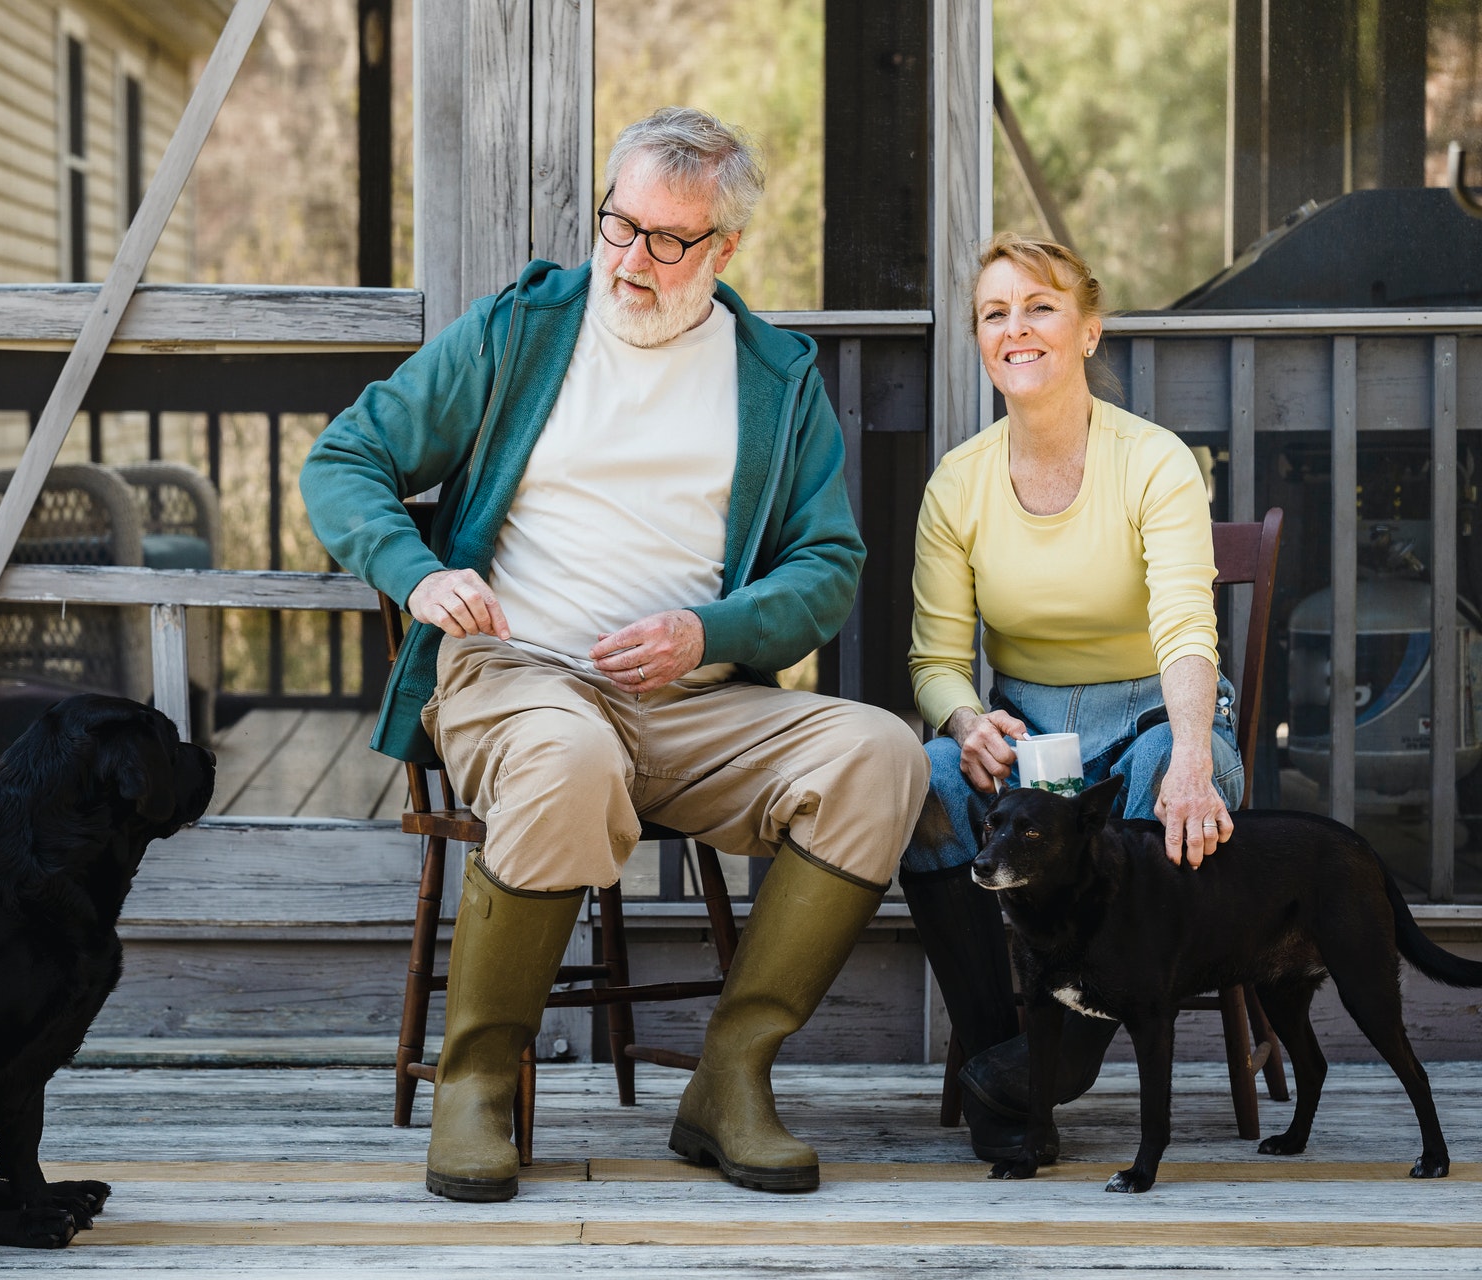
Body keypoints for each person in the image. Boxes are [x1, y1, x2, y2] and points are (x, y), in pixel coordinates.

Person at [300, 107, 929, 1202]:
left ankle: (731, 1076)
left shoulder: (774, 380)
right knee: (569, 757)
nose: (633, 260)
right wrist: (418, 572)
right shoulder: (523, 331)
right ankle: (479, 1079)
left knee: (878, 754)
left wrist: (711, 632)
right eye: (619, 225)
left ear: (725, 250)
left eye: (669, 239)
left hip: (697, 702)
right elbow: (346, 456)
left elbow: (826, 564)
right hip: (520, 676)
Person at [900, 232, 1246, 1160]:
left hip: (1151, 716)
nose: (1018, 329)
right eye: (995, 313)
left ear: (1089, 331)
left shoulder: (1156, 461)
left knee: (1164, 788)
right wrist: (967, 721)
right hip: (1029, 738)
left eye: (1041, 307)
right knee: (923, 781)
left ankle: (1040, 1080)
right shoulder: (958, 483)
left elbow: (1184, 625)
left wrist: (1188, 753)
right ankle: (998, 1054)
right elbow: (934, 657)